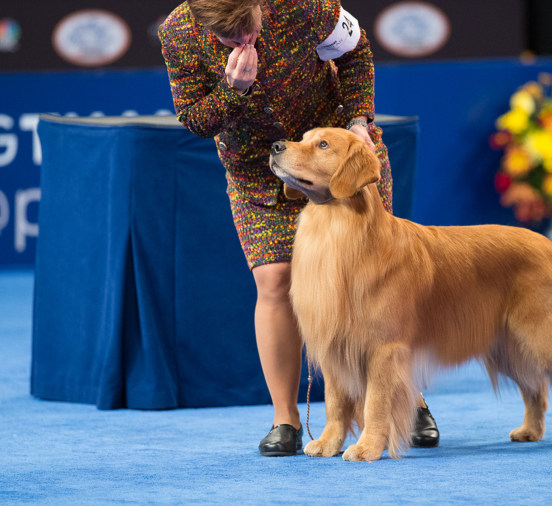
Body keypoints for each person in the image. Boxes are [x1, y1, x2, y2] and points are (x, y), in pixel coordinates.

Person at [158, 0, 439, 456]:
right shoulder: (177, 33)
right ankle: (286, 419)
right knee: (275, 280)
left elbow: (357, 52)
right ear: (205, 26)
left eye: (250, 30)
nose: (247, 43)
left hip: (337, 158)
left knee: (376, 282)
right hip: (258, 171)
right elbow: (194, 119)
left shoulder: (302, 4)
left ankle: (410, 402)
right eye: (233, 40)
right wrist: (233, 89)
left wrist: (358, 121)